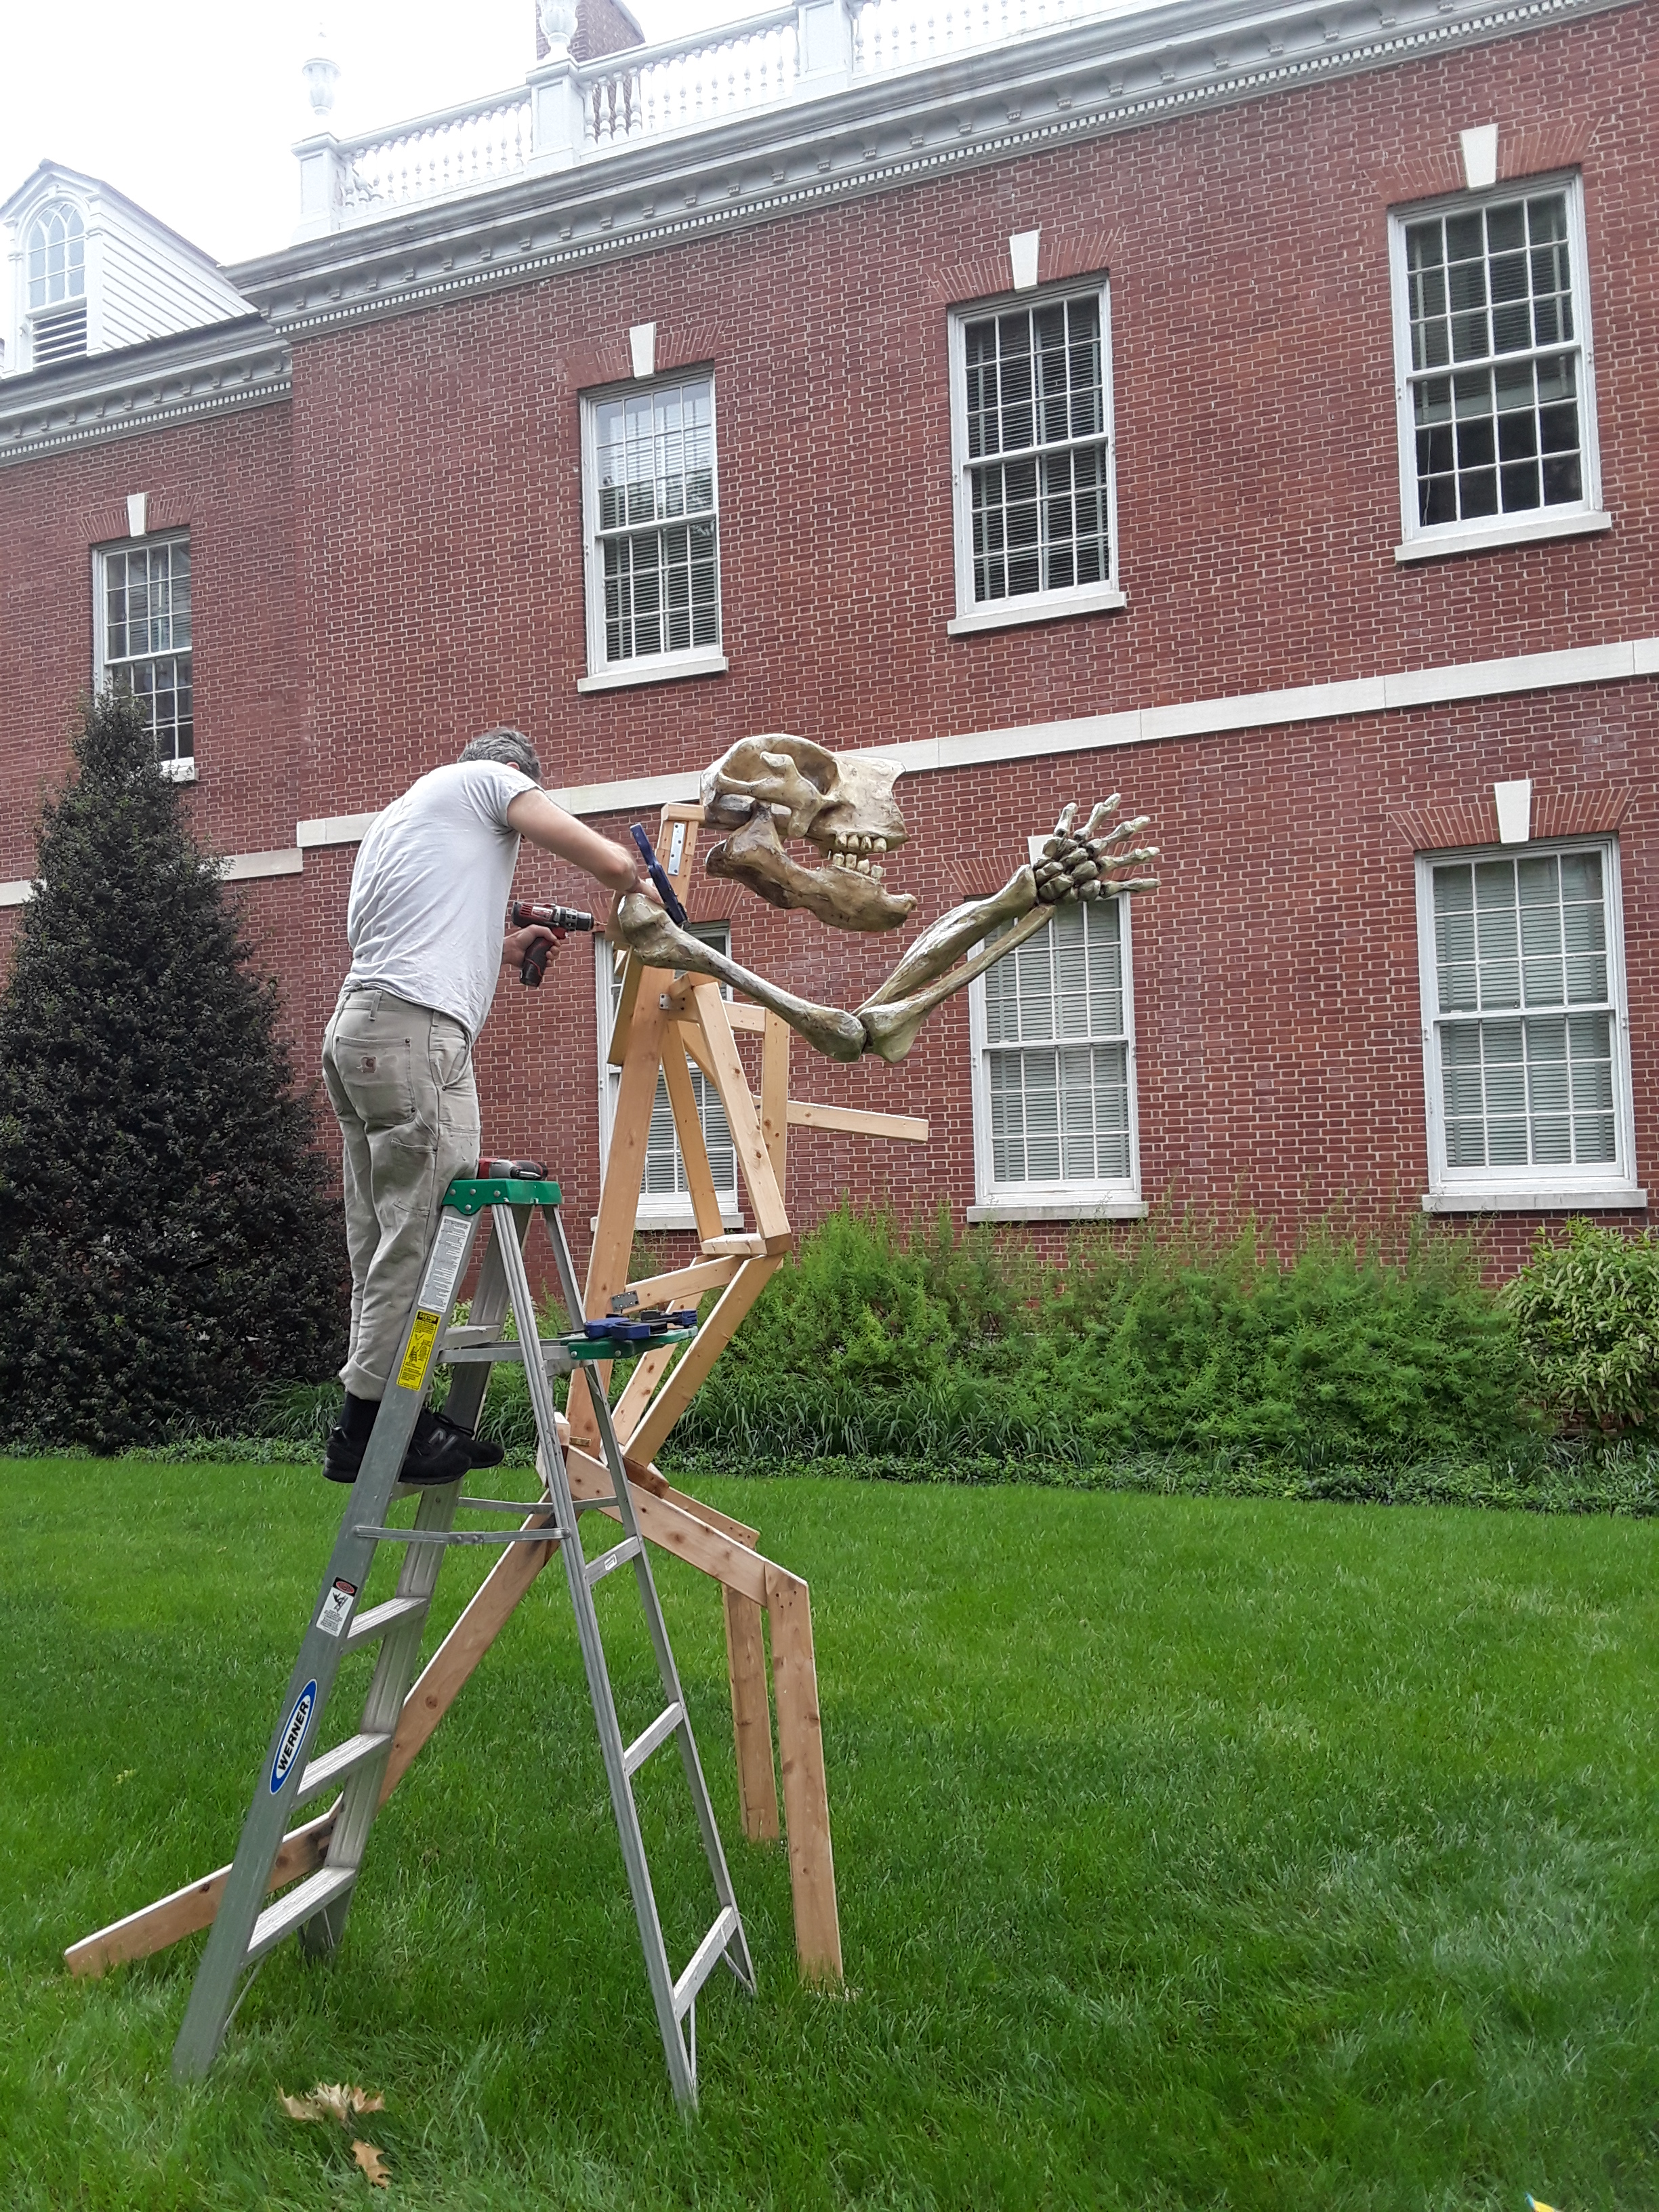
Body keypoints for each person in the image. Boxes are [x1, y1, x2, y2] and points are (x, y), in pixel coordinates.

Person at [319, 727, 653, 1487]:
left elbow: (404, 941)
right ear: (513, 778)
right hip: (415, 1039)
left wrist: (499, 948)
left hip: (360, 1032)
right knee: (424, 1236)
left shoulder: (398, 819)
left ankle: (384, 1412)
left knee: (382, 1244)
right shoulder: (484, 785)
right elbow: (607, 858)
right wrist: (639, 882)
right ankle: (371, 1430)